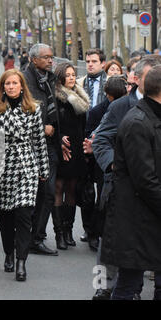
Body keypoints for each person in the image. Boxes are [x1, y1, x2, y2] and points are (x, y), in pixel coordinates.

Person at [101, 65, 161, 300]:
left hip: (147, 217)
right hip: (136, 219)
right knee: (128, 283)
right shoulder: (138, 122)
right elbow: (145, 179)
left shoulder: (149, 117)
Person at [0, 69, 49, 281]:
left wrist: (43, 170)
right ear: (2, 87)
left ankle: (21, 261)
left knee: (24, 216)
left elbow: (39, 141)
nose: (11, 86)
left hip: (26, 164)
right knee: (5, 219)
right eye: (7, 84)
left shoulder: (33, 109)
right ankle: (9, 252)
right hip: (3, 165)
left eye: (15, 83)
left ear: (22, 86)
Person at [82, 75, 128, 300]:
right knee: (107, 239)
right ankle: (102, 286)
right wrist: (112, 165)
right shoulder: (118, 107)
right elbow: (99, 138)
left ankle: (130, 288)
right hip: (112, 181)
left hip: (145, 187)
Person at [23, 43, 59, 256]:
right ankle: (23, 235)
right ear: (33, 59)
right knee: (31, 195)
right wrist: (40, 127)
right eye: (45, 57)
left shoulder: (49, 78)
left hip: (50, 145)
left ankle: (36, 237)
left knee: (47, 193)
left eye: (51, 57)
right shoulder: (25, 80)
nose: (50, 60)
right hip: (30, 145)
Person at [53, 63, 89, 250]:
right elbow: (50, 122)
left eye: (73, 74)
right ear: (60, 77)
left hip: (76, 147)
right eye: (67, 75)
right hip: (60, 146)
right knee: (58, 187)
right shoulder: (55, 96)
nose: (71, 78)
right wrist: (59, 139)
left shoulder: (80, 97)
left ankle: (68, 230)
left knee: (72, 188)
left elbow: (83, 125)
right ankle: (59, 232)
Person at [76, 48, 108, 251]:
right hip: (84, 139)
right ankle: (88, 229)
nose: (90, 64)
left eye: (94, 61)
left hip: (103, 140)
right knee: (86, 190)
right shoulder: (80, 83)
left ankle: (98, 230)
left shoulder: (112, 83)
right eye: (87, 61)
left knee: (102, 190)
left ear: (102, 64)